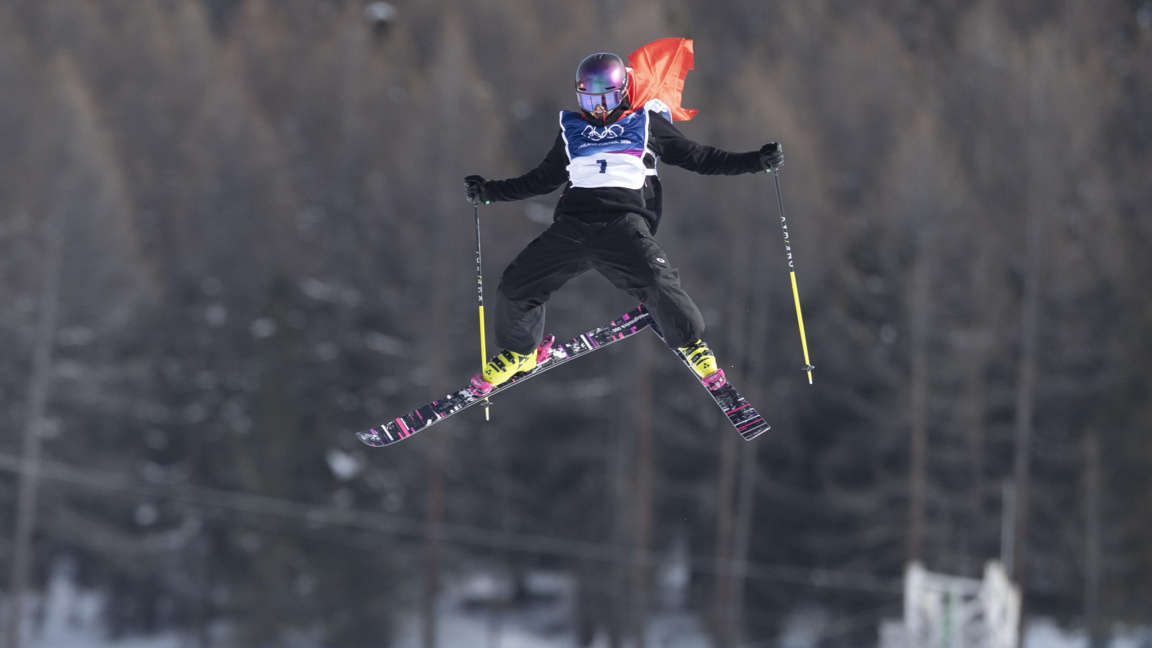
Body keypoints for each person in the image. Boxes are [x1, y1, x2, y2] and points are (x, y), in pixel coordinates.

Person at [464, 43, 782, 397]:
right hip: (572, 227)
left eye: (607, 98)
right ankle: (520, 353)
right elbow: (542, 179)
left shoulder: (644, 123)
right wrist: (490, 191)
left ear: (624, 92)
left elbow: (699, 157)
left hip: (622, 225)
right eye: (588, 100)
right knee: (514, 288)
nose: (598, 108)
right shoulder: (571, 130)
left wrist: (757, 160)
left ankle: (692, 345)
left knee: (659, 285)